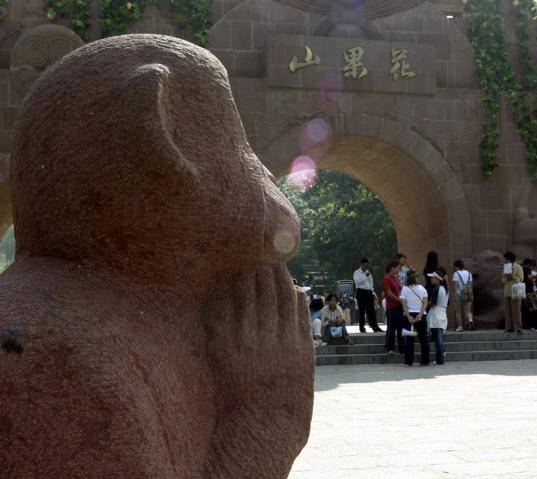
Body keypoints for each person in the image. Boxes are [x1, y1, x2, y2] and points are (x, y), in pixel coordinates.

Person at [400, 270, 429, 366]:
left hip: (409, 316)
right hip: (421, 316)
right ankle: (425, 360)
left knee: (409, 339)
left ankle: (409, 361)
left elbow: (404, 304)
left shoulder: (404, 289)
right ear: (416, 278)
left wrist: (408, 316)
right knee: (423, 339)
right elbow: (425, 303)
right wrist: (420, 315)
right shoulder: (422, 288)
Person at [353, 259, 383, 333]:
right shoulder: (357, 272)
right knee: (362, 311)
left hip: (369, 292)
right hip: (361, 292)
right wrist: (365, 276)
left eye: (367, 265)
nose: (365, 267)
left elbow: (371, 283)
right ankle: (362, 328)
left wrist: (372, 292)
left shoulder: (368, 272)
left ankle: (375, 327)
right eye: (364, 265)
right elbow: (358, 282)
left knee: (371, 311)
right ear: (361, 264)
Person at [427, 269, 449, 365]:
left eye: (432, 277)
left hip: (436, 315)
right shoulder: (445, 289)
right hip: (443, 314)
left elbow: (433, 303)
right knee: (438, 338)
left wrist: (428, 303)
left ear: (437, 279)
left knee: (438, 339)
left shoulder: (436, 289)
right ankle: (441, 354)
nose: (431, 279)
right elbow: (448, 303)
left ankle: (440, 359)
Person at [383, 260, 404, 355]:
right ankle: (390, 348)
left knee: (400, 328)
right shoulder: (387, 278)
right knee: (392, 329)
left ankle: (402, 348)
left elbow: (401, 291)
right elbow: (388, 292)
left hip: (400, 307)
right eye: (398, 268)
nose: (399, 270)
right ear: (392, 267)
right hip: (392, 307)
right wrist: (399, 299)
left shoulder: (397, 279)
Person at [501, 251, 524, 334]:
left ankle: (518, 328)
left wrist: (512, 277)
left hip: (516, 291)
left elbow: (521, 279)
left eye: (506, 259)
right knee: (508, 311)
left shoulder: (518, 267)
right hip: (507, 290)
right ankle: (509, 327)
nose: (505, 261)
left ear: (510, 259)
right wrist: (506, 279)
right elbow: (502, 280)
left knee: (516, 310)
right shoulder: (505, 267)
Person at [452, 260, 474, 332]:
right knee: (468, 311)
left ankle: (460, 327)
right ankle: (470, 320)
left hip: (459, 294)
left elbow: (456, 285)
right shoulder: (469, 273)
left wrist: (455, 294)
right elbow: (470, 284)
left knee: (458, 311)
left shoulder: (456, 274)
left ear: (457, 267)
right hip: (467, 293)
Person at [522, 258, 537, 331]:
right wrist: (533, 282)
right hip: (530, 292)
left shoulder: (522, 268)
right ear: (529, 264)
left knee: (527, 309)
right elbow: (529, 277)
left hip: (525, 291)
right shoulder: (527, 268)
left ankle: (527, 325)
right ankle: (532, 326)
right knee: (532, 308)